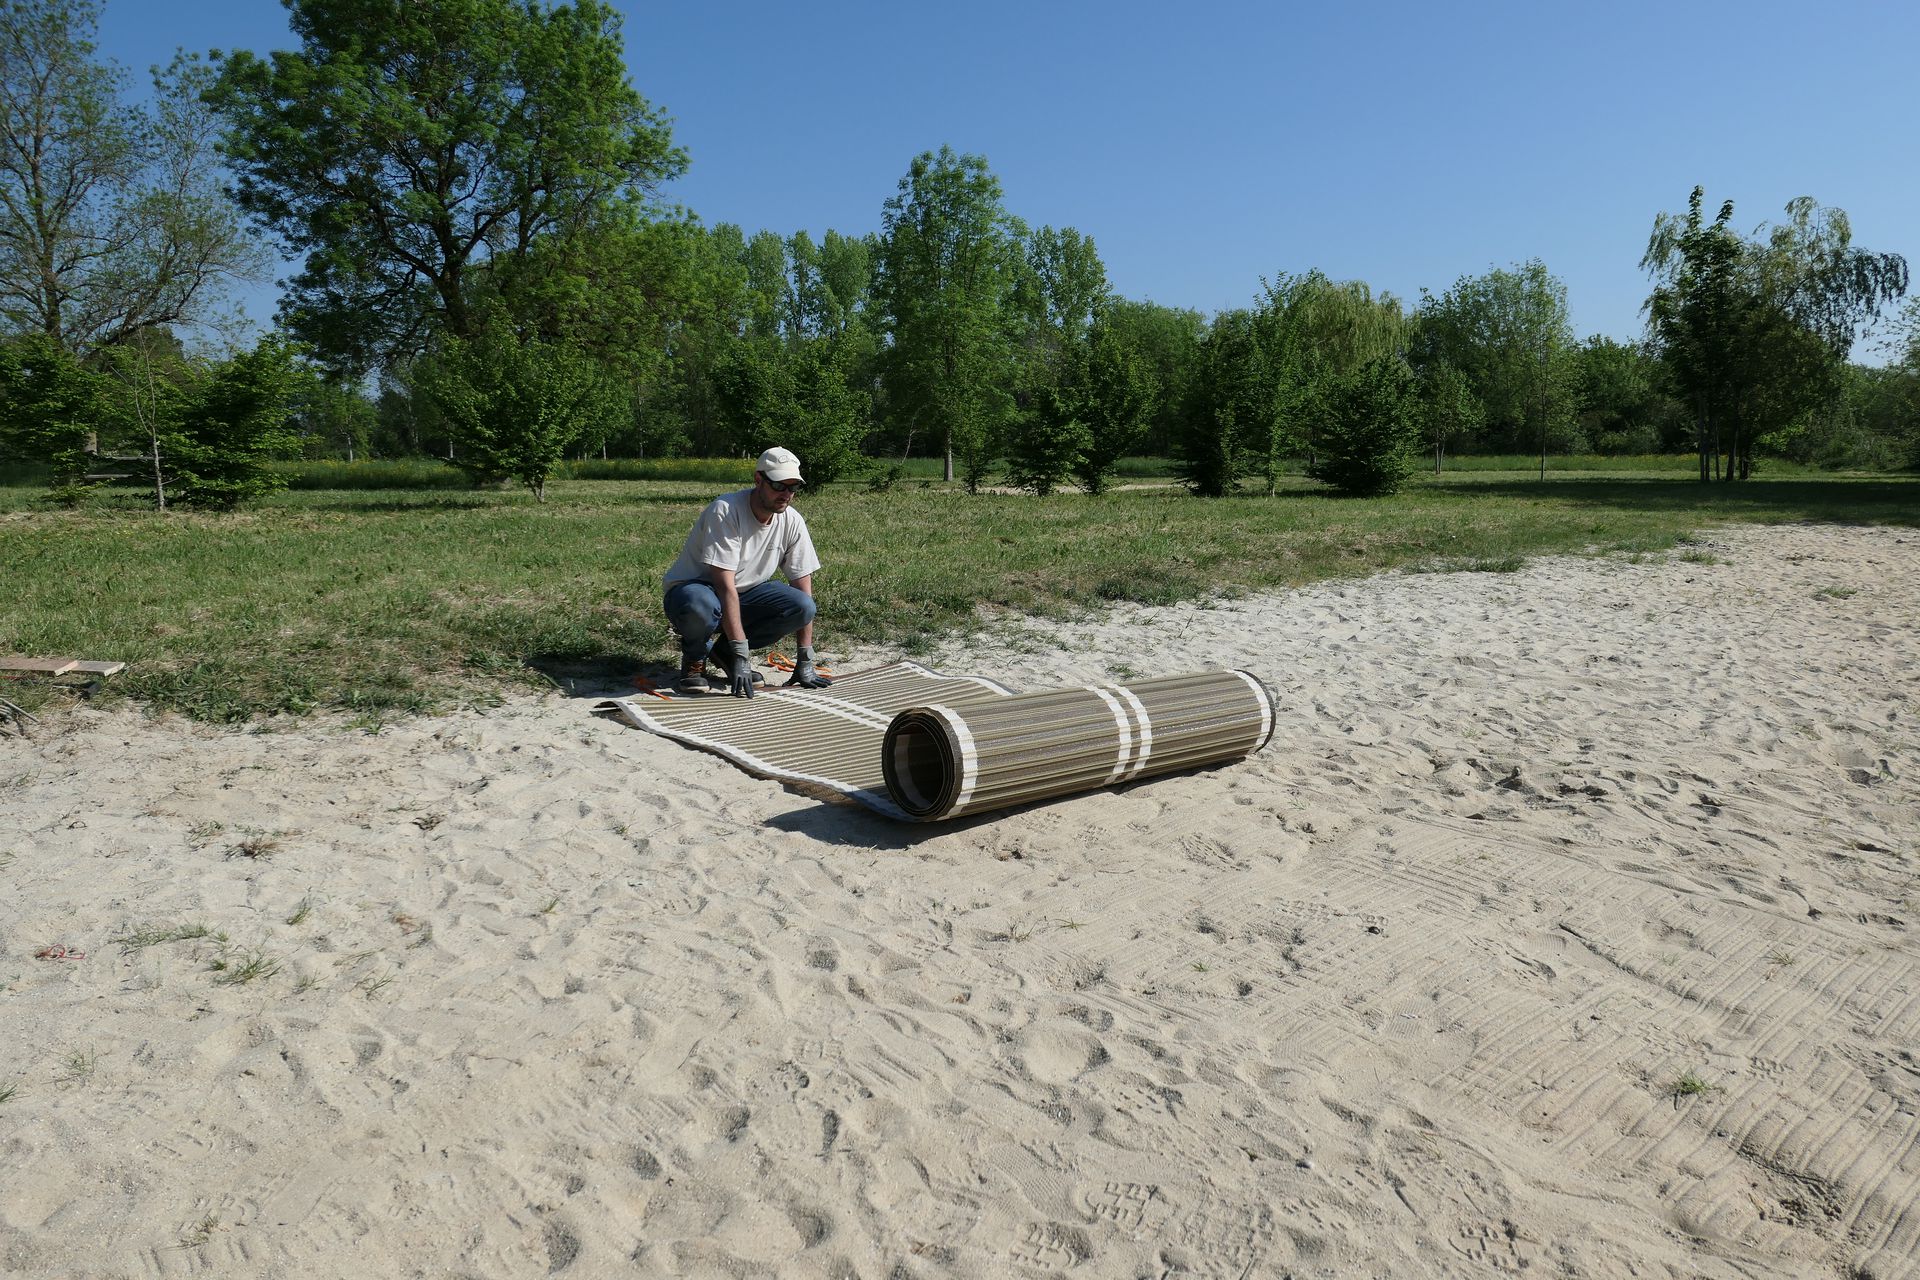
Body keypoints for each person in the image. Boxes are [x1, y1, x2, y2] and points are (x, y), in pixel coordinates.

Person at [662, 446, 834, 697]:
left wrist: (805, 660)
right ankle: (694, 658)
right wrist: (744, 656)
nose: (786, 494)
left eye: (793, 487)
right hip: (697, 592)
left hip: (746, 593)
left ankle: (724, 654)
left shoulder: (792, 521)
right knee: (699, 605)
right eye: (778, 485)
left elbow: (803, 588)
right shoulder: (725, 510)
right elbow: (724, 586)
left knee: (802, 606)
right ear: (758, 480)